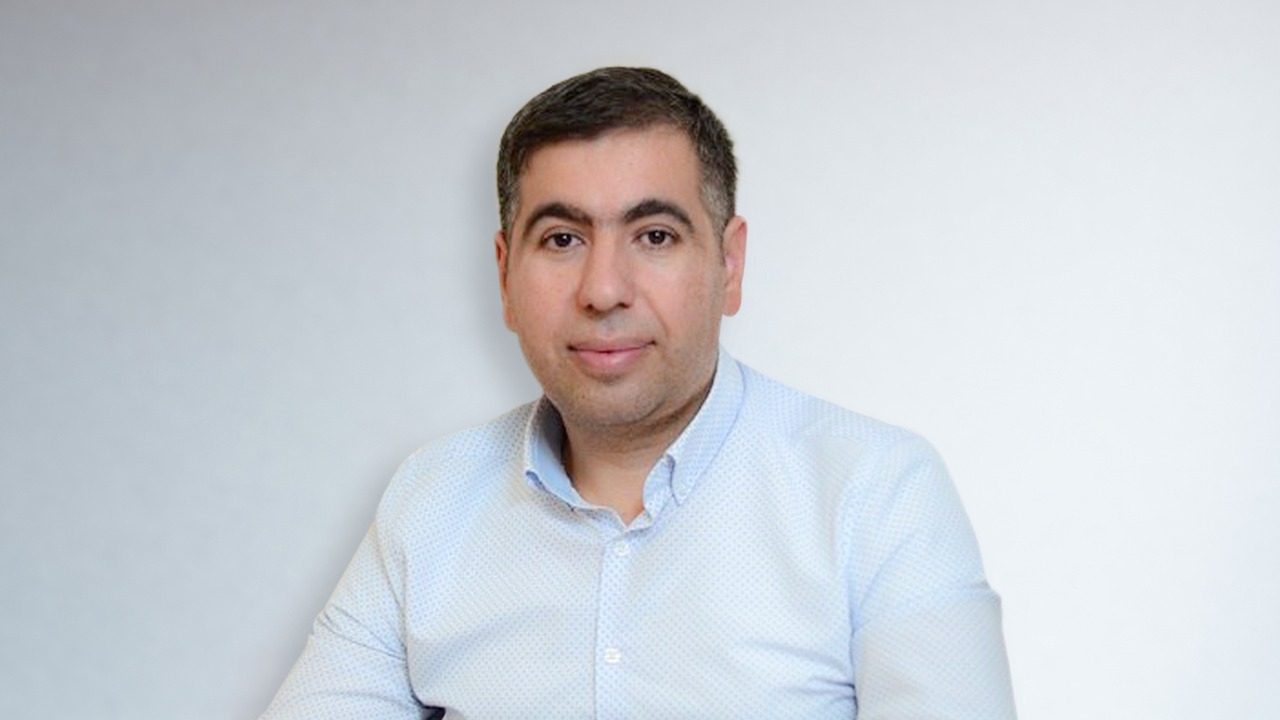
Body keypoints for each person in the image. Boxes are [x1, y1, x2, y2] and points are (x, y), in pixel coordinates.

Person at [262, 66, 1016, 719]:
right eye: (562, 239)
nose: (604, 289)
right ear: (505, 274)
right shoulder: (430, 501)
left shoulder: (874, 493)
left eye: (654, 235)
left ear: (729, 265)